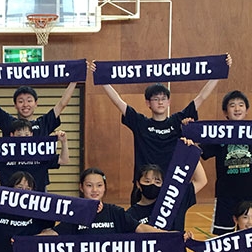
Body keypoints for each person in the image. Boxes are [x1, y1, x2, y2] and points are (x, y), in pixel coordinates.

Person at [92, 54, 231, 200]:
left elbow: (201, 97)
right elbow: (118, 102)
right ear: (148, 103)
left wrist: (219, 70)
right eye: (156, 99)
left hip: (170, 186)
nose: (160, 102)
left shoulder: (178, 121)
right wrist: (102, 77)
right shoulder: (140, 122)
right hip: (143, 186)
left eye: (163, 99)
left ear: (169, 102)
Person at [199, 90, 252, 252]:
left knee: (250, 238)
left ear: (247, 110)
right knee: (223, 239)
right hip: (226, 195)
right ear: (226, 111)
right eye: (232, 105)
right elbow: (199, 149)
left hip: (250, 194)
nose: (237, 108)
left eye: (240, 104)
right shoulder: (218, 133)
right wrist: (189, 133)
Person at [0, 120, 70, 192]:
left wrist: (64, 142)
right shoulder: (3, 151)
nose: (23, 137)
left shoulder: (40, 150)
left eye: (26, 134)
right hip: (9, 198)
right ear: (12, 135)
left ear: (32, 135)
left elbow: (64, 160)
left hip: (38, 197)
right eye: (19, 135)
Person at [0, 81, 78, 137]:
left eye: (29, 100)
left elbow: (62, 104)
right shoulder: (8, 122)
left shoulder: (43, 123)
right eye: (21, 101)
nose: (25, 105)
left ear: (36, 103)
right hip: (11, 176)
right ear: (15, 105)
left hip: (38, 177)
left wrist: (74, 81)